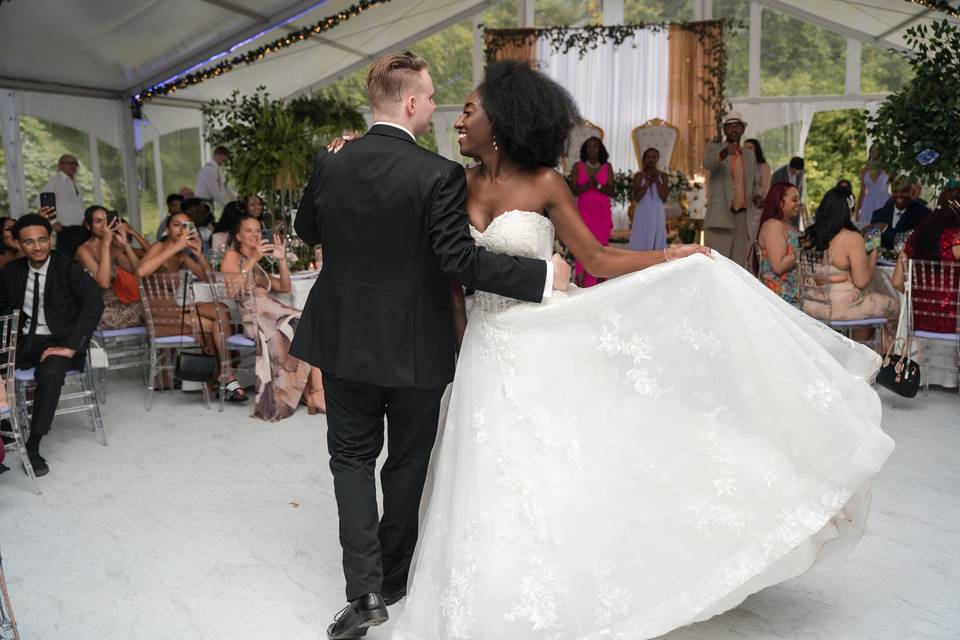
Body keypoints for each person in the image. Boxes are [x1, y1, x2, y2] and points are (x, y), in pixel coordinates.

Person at [384, 62, 894, 640]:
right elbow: (448, 257)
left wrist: (669, 256)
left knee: (563, 461)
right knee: (490, 468)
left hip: (541, 341)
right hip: (484, 344)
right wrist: (354, 146)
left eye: (471, 109)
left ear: (502, 120)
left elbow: (597, 259)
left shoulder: (547, 184)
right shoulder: (457, 180)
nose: (460, 118)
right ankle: (499, 590)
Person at [291, 51, 573, 640]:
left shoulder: (333, 160)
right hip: (416, 345)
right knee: (408, 460)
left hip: (343, 338)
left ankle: (364, 590)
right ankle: (395, 576)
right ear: (413, 103)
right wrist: (543, 277)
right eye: (431, 101)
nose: (439, 113)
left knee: (350, 459)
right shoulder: (438, 175)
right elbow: (458, 260)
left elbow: (306, 231)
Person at [0, 214, 104, 477]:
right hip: (24, 341)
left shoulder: (68, 268)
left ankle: (32, 445)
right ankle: (3, 435)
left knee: (50, 373)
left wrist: (71, 347)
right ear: (18, 244)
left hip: (60, 342)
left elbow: (95, 302)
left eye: (43, 240)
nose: (37, 247)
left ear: (51, 238)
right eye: (29, 242)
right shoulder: (11, 272)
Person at [220, 214, 325, 419]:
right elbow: (233, 292)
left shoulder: (258, 262)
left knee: (312, 322)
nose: (255, 234)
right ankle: (312, 393)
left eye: (258, 230)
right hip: (255, 316)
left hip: (274, 310)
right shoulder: (233, 256)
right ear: (238, 236)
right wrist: (254, 258)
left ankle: (317, 392)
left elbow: (284, 287)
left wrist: (282, 259)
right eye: (249, 231)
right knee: (300, 324)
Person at [136, 212, 247, 402]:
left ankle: (224, 376)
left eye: (186, 225)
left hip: (176, 311)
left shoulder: (182, 255)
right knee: (218, 316)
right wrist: (176, 247)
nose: (181, 229)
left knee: (219, 313)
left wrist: (199, 255)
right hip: (157, 314)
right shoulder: (159, 247)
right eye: (177, 225)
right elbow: (141, 271)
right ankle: (224, 377)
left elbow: (211, 279)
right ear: (167, 229)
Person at [801, 187, 899, 324]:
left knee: (871, 297)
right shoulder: (852, 238)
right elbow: (862, 281)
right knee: (895, 306)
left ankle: (858, 343)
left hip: (811, 304)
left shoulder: (809, 234)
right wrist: (873, 254)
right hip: (839, 307)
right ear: (848, 211)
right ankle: (877, 345)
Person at [892, 187, 960, 333]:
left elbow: (897, 282)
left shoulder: (916, 238)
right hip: (953, 324)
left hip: (919, 322)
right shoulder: (956, 239)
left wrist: (921, 298)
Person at [74, 206, 148, 330]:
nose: (104, 225)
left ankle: (163, 347)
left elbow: (139, 272)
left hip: (119, 306)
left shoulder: (113, 248)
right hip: (100, 312)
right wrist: (106, 244)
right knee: (151, 308)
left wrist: (126, 245)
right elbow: (103, 283)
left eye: (106, 220)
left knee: (154, 305)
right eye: (98, 221)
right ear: (88, 226)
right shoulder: (83, 250)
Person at [703, 112, 762, 266]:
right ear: (724, 130)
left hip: (743, 217)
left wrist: (757, 196)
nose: (734, 130)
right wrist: (724, 153)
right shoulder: (714, 148)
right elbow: (708, 163)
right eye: (730, 126)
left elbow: (754, 183)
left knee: (738, 266)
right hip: (720, 215)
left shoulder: (749, 155)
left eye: (737, 126)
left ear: (742, 130)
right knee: (716, 263)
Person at [568, 136, 615, 286]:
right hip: (583, 214)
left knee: (601, 248)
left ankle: (602, 285)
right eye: (589, 146)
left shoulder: (607, 167)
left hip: (601, 214)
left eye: (595, 146)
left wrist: (599, 186)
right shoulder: (578, 166)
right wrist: (588, 185)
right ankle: (582, 286)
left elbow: (612, 191)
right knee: (583, 247)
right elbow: (573, 190)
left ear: (600, 149)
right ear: (585, 149)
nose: (592, 149)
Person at [752, 182, 802, 304]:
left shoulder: (789, 225)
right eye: (794, 200)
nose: (799, 203)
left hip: (796, 294)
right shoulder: (773, 225)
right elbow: (778, 266)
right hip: (779, 299)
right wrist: (803, 250)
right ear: (780, 202)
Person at [39, 154, 88, 258]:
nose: (72, 165)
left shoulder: (75, 182)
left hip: (81, 228)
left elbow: (79, 205)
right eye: (68, 163)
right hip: (66, 229)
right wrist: (52, 221)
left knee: (82, 259)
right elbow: (43, 200)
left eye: (74, 163)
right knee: (67, 260)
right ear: (60, 165)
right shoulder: (56, 181)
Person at [870, 175, 931, 250]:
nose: (899, 195)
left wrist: (884, 228)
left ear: (913, 192)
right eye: (895, 191)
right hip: (880, 261)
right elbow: (870, 246)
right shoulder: (878, 215)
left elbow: (909, 243)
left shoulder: (923, 214)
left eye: (904, 191)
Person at [627, 147, 669, 251]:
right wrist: (647, 183)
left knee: (657, 235)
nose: (651, 159)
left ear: (657, 158)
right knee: (642, 235)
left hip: (657, 210)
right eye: (648, 157)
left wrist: (656, 181)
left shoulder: (663, 176)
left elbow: (663, 197)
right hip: (643, 210)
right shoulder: (639, 176)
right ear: (644, 159)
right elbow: (637, 197)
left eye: (653, 157)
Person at [744, 138, 771, 242]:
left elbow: (765, 189)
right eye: (745, 148)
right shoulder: (742, 166)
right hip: (744, 206)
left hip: (757, 206)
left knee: (755, 236)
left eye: (750, 148)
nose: (747, 151)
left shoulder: (763, 166)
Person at [855, 146, 889, 224]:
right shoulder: (864, 170)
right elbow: (862, 192)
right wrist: (856, 212)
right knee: (866, 229)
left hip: (883, 202)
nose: (873, 153)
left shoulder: (888, 170)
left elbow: (895, 190)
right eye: (871, 151)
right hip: (868, 203)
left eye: (876, 151)